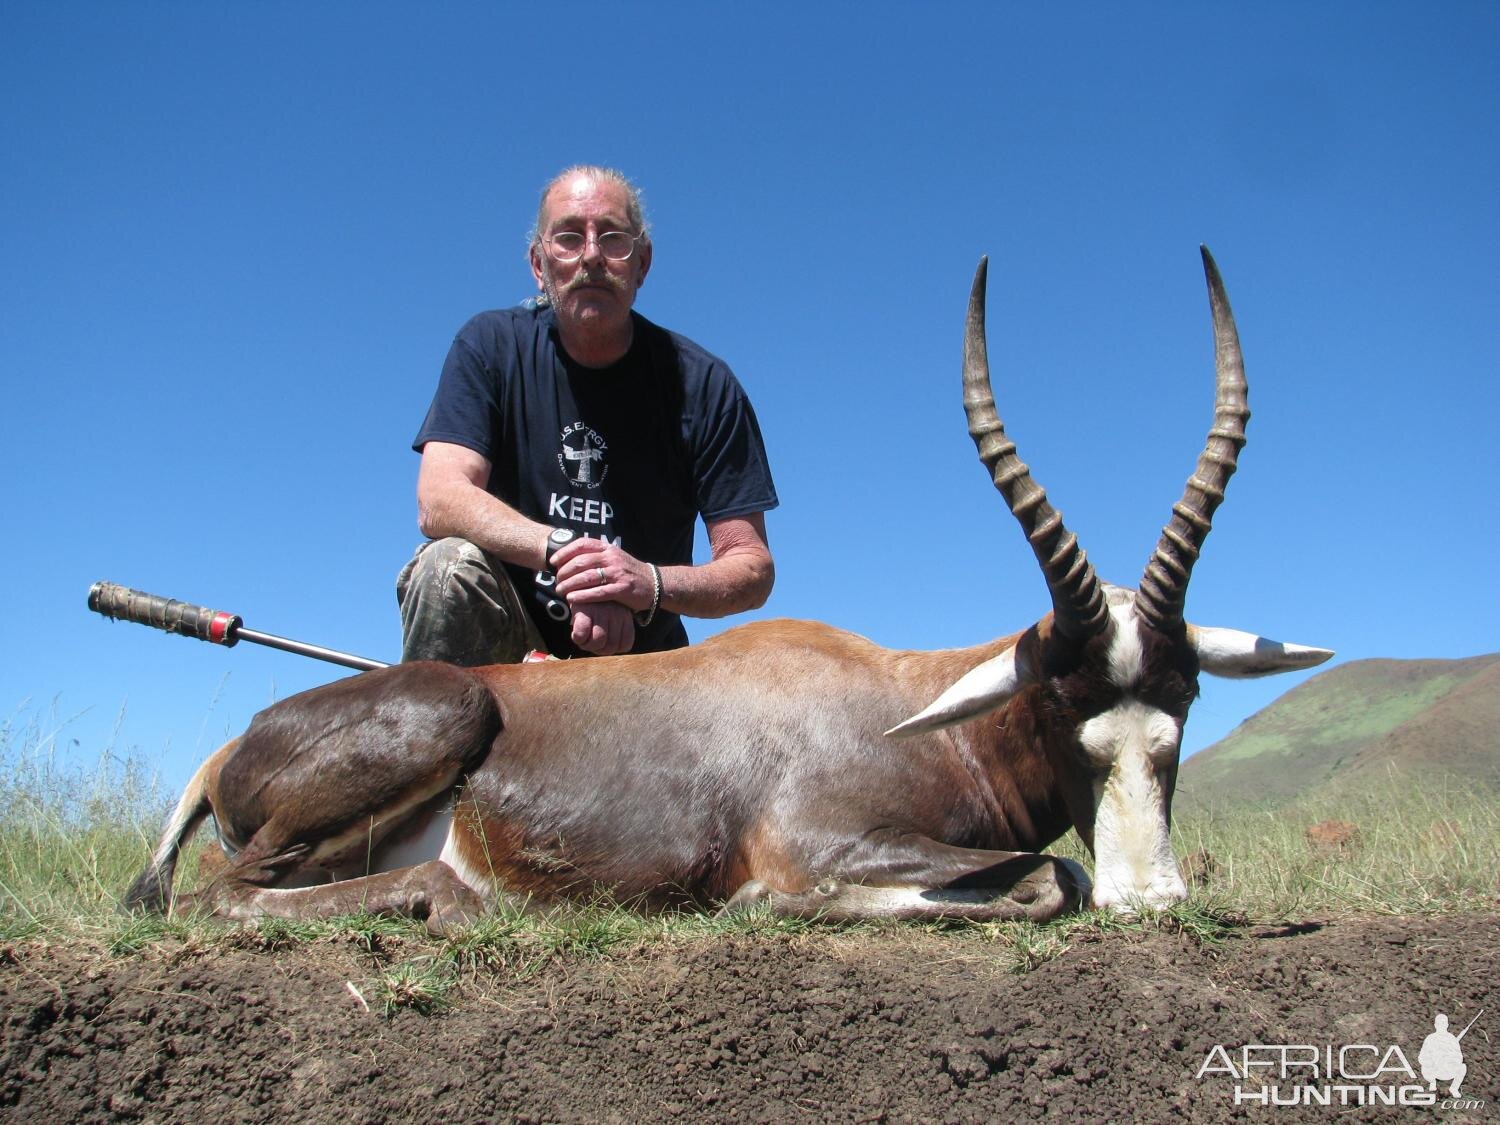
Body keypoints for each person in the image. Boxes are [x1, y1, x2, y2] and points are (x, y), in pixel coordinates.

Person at [398, 165, 777, 663]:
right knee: (445, 566)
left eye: (614, 239)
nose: (592, 255)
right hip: (510, 652)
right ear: (539, 264)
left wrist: (647, 584)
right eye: (569, 237)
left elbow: (750, 567)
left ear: (642, 263)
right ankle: (446, 735)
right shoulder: (489, 345)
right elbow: (440, 497)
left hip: (638, 664)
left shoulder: (704, 384)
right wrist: (567, 554)